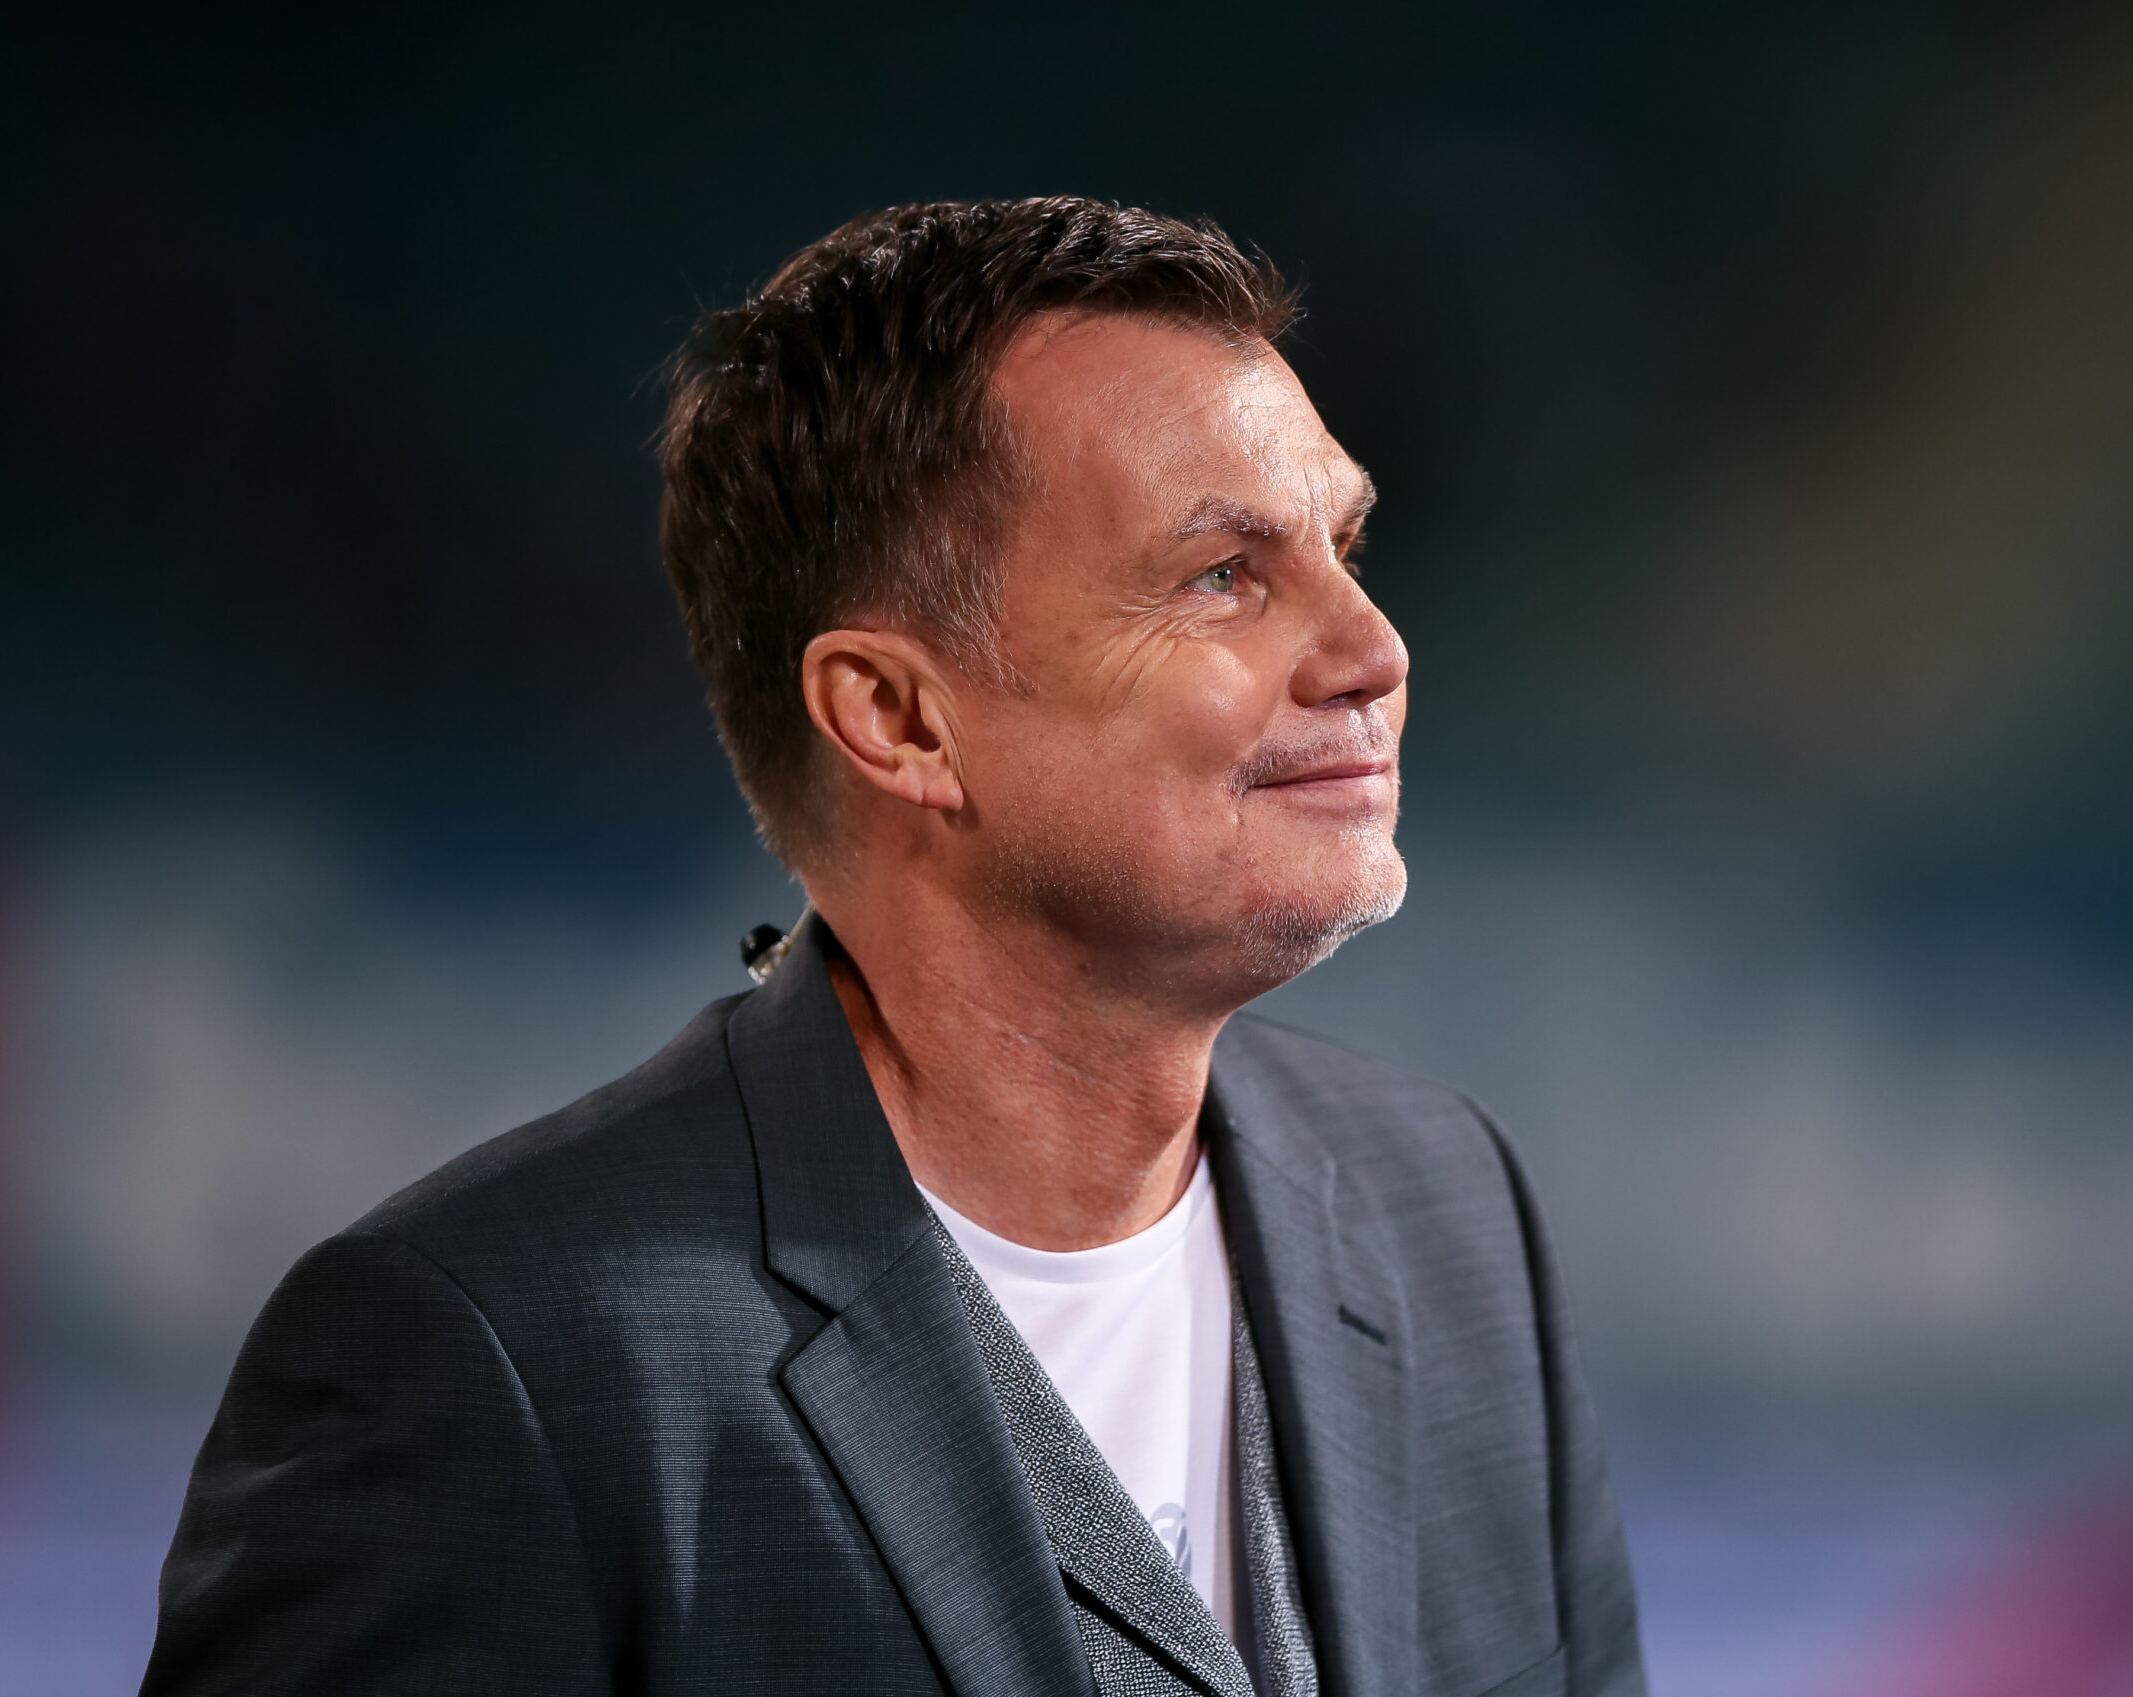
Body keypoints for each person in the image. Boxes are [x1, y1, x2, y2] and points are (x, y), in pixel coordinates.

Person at [142, 196, 1644, 1697]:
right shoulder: (491, 1357)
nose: (1374, 649)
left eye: (1345, 545)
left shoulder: (1451, 1214)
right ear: (900, 717)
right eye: (1222, 576)